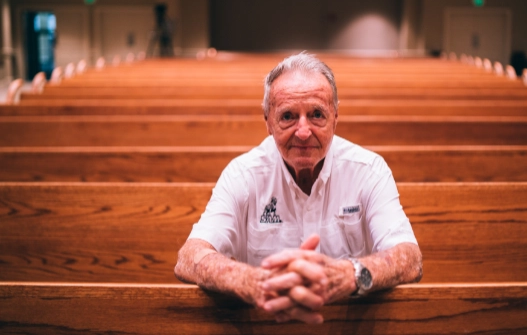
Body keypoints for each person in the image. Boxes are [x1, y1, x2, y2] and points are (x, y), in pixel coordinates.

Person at [174, 52, 422, 324]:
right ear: (268, 121)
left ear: (336, 117)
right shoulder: (243, 174)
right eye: (288, 116)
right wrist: (253, 281)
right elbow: (189, 256)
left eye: (317, 114)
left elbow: (409, 258)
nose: (303, 132)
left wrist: (352, 274)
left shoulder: (368, 170)